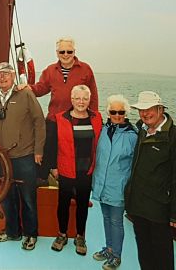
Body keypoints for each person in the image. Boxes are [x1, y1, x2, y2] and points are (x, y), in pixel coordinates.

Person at [20, 38, 98, 184]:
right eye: (62, 51)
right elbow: (41, 88)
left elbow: (92, 95)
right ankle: (42, 182)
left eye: (69, 51)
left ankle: (75, 186)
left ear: (74, 51)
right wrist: (27, 88)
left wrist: (94, 119)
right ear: (57, 53)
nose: (66, 54)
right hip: (54, 120)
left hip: (77, 121)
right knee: (47, 152)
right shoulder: (50, 70)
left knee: (75, 156)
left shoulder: (85, 69)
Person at [0, 62, 46, 251]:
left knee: (27, 198)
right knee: (7, 196)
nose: (2, 78)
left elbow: (39, 122)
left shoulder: (26, 94)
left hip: (24, 155)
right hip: (2, 157)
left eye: (6, 74)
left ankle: (30, 234)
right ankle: (12, 232)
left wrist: (38, 150)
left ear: (13, 76)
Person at [125, 91, 175, 270]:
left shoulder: (172, 137)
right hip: (138, 206)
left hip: (159, 209)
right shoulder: (141, 130)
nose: (145, 113)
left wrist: (174, 213)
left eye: (149, 109)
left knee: (163, 256)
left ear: (160, 109)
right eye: (141, 110)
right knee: (144, 252)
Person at [49, 85, 102, 256]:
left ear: (89, 100)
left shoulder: (97, 118)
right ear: (72, 100)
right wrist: (53, 167)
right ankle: (62, 234)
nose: (81, 102)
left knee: (82, 205)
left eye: (84, 99)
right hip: (65, 169)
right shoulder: (60, 118)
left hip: (86, 171)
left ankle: (80, 236)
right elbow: (52, 145)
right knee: (63, 204)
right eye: (77, 98)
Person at [91, 95, 137, 270]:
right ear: (108, 112)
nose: (117, 115)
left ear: (126, 113)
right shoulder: (102, 130)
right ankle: (109, 248)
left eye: (121, 112)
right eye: (113, 111)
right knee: (106, 217)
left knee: (116, 221)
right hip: (102, 184)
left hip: (118, 187)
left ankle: (116, 256)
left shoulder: (133, 136)